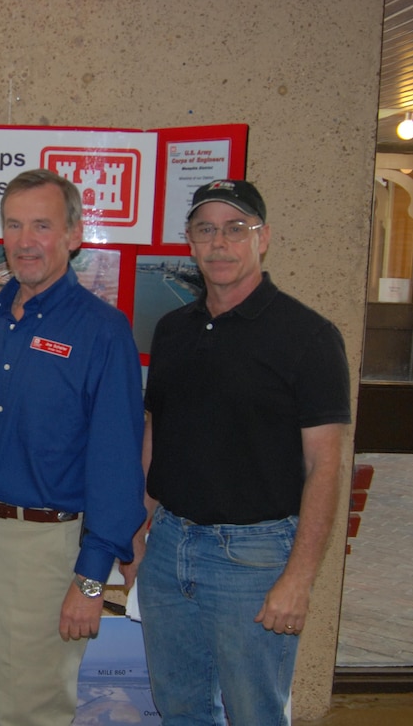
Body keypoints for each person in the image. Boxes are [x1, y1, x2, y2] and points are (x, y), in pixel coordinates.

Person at [0, 168, 147, 725]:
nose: (25, 241)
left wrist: (91, 579)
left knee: (30, 709)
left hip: (45, 549)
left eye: (42, 225)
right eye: (14, 225)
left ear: (73, 235)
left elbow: (117, 465)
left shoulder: (103, 332)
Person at [128, 179, 351, 725]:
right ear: (190, 241)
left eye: (236, 229)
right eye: (206, 230)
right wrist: (136, 535)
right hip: (169, 546)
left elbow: (325, 465)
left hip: (254, 558)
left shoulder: (310, 336)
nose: (220, 243)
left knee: (255, 713)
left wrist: (298, 578)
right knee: (178, 708)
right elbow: (157, 434)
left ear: (263, 239)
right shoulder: (173, 329)